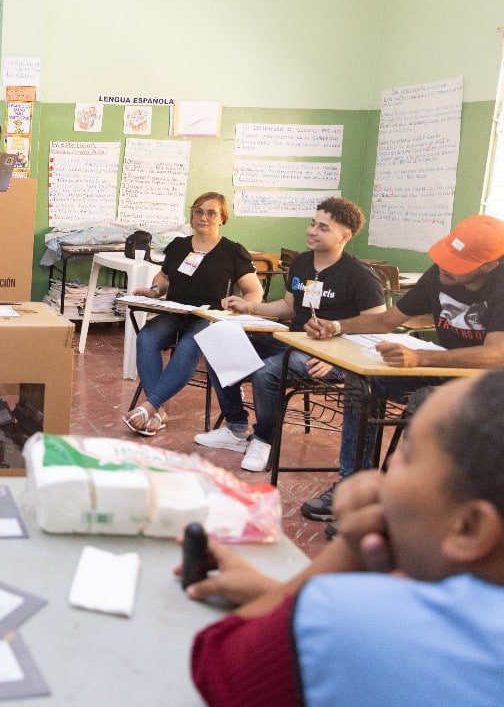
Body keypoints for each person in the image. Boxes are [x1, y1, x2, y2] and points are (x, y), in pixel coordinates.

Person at [184, 371, 504, 707]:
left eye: (408, 456)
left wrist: (349, 550)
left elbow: (217, 663)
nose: (389, 462)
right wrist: (273, 592)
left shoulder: (349, 624)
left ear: (469, 528)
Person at [300, 213, 504, 522]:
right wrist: (337, 326)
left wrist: (420, 358)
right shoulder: (439, 274)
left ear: (490, 265)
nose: (446, 269)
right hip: (449, 371)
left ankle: (403, 504)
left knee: (425, 401)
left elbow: (496, 356)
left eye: (458, 265)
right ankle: (357, 487)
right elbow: (386, 320)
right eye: (447, 257)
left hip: (492, 386)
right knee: (361, 381)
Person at [194, 197, 385, 472]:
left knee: (268, 372)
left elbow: (377, 325)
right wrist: (248, 306)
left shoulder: (359, 275)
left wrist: (338, 357)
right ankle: (236, 427)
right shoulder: (303, 263)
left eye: (323, 228)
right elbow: (288, 307)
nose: (312, 231)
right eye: (312, 223)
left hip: (331, 356)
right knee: (216, 342)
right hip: (293, 340)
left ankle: (263, 439)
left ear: (345, 236)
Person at [122, 192, 263, 436]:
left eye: (211, 213)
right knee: (146, 338)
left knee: (189, 346)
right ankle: (160, 411)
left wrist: (239, 309)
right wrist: (153, 291)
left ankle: (149, 406)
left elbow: (254, 292)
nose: (203, 217)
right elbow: (164, 277)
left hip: (209, 317)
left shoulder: (232, 251)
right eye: (198, 211)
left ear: (222, 218)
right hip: (176, 311)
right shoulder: (178, 246)